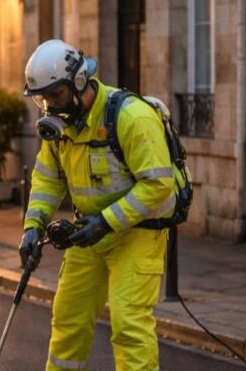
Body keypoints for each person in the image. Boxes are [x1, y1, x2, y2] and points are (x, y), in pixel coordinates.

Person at [18, 39, 179, 370]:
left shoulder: (132, 117)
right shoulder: (60, 129)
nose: (50, 106)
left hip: (138, 232)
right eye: (43, 99)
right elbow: (48, 180)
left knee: (128, 323)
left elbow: (158, 184)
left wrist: (105, 222)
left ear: (79, 82)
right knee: (68, 319)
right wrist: (32, 228)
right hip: (87, 232)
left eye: (56, 96)